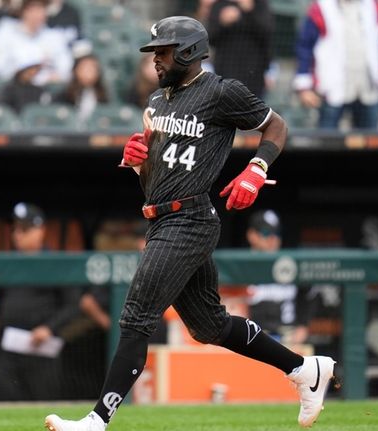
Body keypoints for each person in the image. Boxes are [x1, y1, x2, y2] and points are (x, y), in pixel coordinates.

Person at [45, 16, 336, 431]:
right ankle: (305, 370)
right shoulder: (158, 101)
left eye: (162, 51)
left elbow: (276, 125)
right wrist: (138, 162)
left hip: (190, 218)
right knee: (209, 326)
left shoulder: (220, 92)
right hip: (163, 217)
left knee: (135, 318)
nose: (156, 60)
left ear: (186, 50)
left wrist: (256, 167)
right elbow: (154, 182)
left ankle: (97, 420)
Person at [0, 202, 82, 400]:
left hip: (42, 347)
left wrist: (49, 328)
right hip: (10, 346)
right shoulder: (7, 263)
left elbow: (73, 305)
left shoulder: (56, 263)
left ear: (40, 230)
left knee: (42, 405)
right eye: (15, 229)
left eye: (24, 229)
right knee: (7, 403)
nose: (18, 234)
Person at [293, 0, 378, 130]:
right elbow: (305, 47)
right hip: (332, 87)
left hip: (368, 86)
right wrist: (304, 87)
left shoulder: (374, 5)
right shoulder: (320, 7)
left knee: (371, 144)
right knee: (326, 143)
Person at [245, 209, 309, 345]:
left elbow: (310, 293)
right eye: (266, 233)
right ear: (252, 235)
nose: (273, 239)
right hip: (252, 338)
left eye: (276, 234)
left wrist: (303, 326)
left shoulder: (290, 265)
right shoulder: (240, 267)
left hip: (288, 336)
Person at [0, 0, 72, 85]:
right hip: (15, 88)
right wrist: (23, 75)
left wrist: (52, 76)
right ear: (23, 11)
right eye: (33, 9)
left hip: (47, 90)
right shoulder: (6, 31)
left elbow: (65, 68)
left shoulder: (54, 36)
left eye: (42, 9)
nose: (38, 14)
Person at [207, 0, 274, 99]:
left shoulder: (260, 5)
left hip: (253, 75)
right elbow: (211, 39)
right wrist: (223, 22)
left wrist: (250, 11)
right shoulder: (220, 4)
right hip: (224, 73)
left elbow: (267, 34)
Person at [53, 53, 109, 122]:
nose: (90, 72)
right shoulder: (65, 94)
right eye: (85, 68)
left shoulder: (103, 94)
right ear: (76, 70)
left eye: (93, 68)